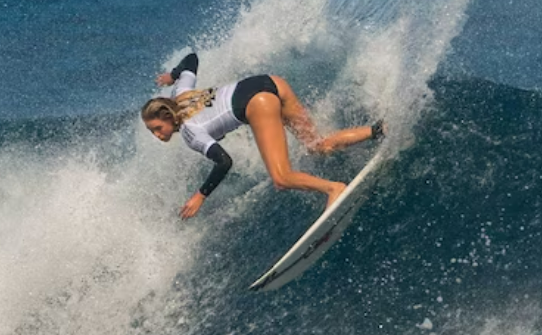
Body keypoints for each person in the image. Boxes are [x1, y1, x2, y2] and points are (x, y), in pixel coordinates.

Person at [141, 53, 383, 219]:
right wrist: (174, 75)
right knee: (316, 144)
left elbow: (224, 162)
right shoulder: (180, 92)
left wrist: (200, 196)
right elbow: (192, 59)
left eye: (157, 128)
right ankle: (378, 130)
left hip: (257, 103)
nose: (157, 135)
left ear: (168, 116)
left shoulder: (189, 132)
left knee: (281, 178)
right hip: (269, 82)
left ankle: (334, 189)